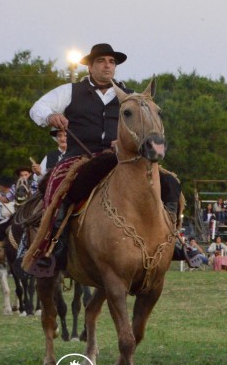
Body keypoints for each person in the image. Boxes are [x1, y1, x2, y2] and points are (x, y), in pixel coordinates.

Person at [27, 43, 186, 272]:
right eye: (101, 61)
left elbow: (144, 126)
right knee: (60, 187)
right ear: (90, 66)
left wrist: (127, 143)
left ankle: (172, 240)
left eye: (112, 61)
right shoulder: (71, 91)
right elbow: (37, 107)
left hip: (121, 158)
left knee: (170, 183)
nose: (107, 65)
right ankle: (55, 246)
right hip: (79, 157)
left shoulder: (130, 96)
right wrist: (51, 115)